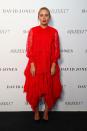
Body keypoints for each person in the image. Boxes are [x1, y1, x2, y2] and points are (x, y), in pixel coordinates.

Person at [23, 7, 62, 121]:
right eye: (41, 15)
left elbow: (56, 49)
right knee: (35, 89)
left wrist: (54, 64)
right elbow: (29, 49)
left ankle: (46, 112)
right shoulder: (33, 31)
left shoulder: (54, 32)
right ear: (38, 17)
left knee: (49, 89)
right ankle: (35, 112)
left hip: (49, 64)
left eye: (46, 15)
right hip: (36, 64)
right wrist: (32, 64)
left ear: (49, 17)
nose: (44, 17)